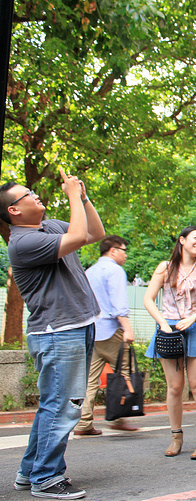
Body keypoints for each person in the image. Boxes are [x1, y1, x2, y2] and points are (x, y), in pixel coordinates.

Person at [1, 168, 104, 500]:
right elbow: (74, 238)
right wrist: (72, 194)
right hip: (59, 332)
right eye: (27, 194)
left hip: (74, 327)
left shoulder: (48, 227)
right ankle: (46, 478)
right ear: (13, 210)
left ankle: (30, 471)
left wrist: (83, 197)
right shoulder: (24, 241)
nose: (35, 195)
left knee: (53, 405)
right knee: (64, 406)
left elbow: (93, 234)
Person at [143, 226, 196, 460]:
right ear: (182, 240)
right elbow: (149, 299)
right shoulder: (165, 268)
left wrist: (194, 318)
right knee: (174, 387)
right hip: (169, 331)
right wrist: (163, 324)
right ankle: (176, 437)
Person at [74, 235, 138, 436]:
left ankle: (83, 423)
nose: (125, 255)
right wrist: (127, 328)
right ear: (113, 250)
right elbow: (119, 304)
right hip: (112, 332)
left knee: (89, 380)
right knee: (125, 373)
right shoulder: (115, 271)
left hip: (92, 331)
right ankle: (119, 416)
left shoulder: (89, 272)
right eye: (124, 250)